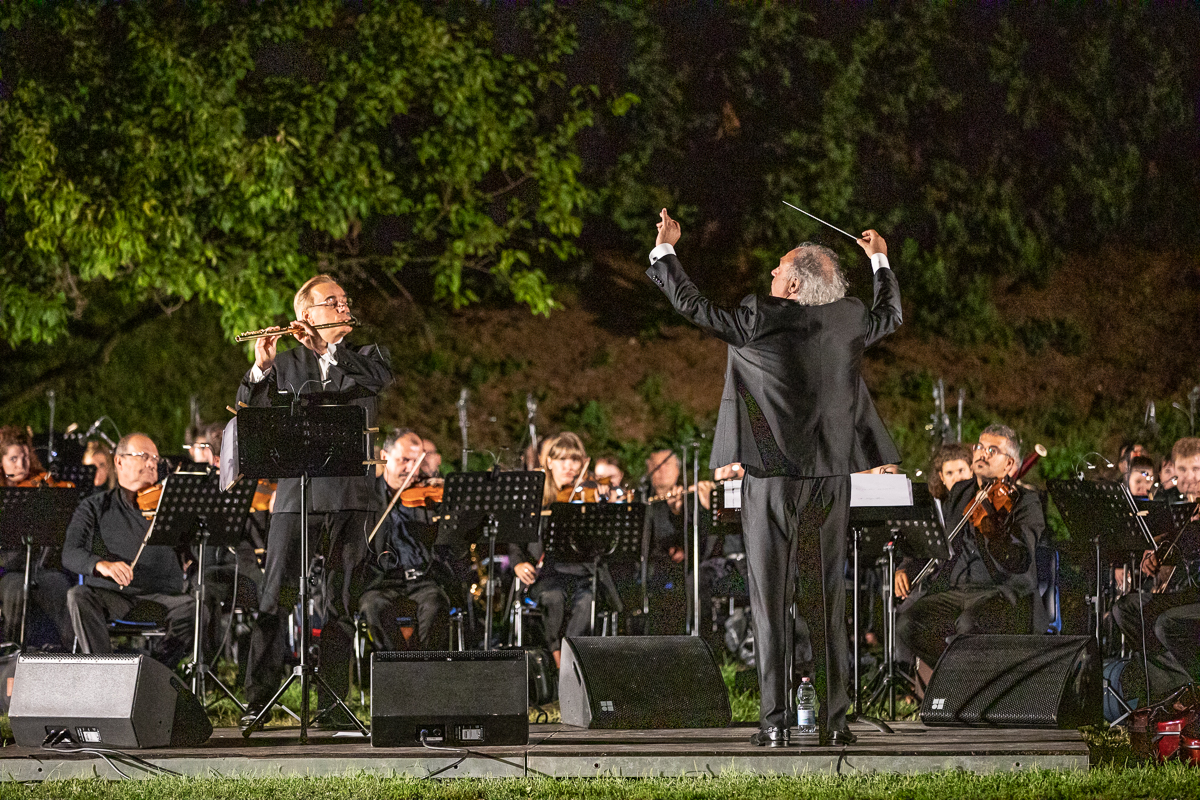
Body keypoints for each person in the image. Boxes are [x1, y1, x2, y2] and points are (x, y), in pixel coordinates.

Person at [647, 208, 901, 747]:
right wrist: (879, 259)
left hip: (771, 478)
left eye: (776, 269)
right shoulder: (849, 318)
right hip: (831, 478)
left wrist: (666, 250)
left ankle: (775, 724)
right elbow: (892, 314)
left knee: (770, 601)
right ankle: (834, 723)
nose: (768, 275)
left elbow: (694, 307)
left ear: (792, 282)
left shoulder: (760, 314)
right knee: (828, 599)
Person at [236, 274, 393, 730]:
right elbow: (252, 417)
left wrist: (328, 352)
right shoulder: (285, 361)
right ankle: (258, 700)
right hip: (295, 495)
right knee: (275, 595)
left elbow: (379, 383)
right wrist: (261, 370)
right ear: (307, 315)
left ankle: (331, 705)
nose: (345, 306)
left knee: (341, 600)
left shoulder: (366, 356)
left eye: (345, 299)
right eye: (333, 301)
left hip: (349, 495)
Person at [895, 425, 1042, 670]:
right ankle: (953, 677)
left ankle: (969, 687)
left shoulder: (1026, 502)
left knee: (969, 624)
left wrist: (996, 536)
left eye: (992, 450)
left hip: (1001, 591)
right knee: (908, 623)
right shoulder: (960, 491)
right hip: (957, 588)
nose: (982, 454)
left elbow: (1020, 560)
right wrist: (907, 566)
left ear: (1009, 465)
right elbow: (938, 539)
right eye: (979, 447)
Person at [62, 433, 195, 666]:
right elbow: (70, 552)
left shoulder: (171, 506)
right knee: (78, 596)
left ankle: (155, 669)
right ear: (119, 461)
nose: (152, 463)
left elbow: (195, 551)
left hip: (163, 599)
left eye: (155, 458)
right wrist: (101, 565)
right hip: (115, 598)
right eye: (144, 456)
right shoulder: (94, 506)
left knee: (198, 608)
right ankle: (104, 674)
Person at [1111, 438, 1200, 694]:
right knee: (1126, 609)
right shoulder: (1183, 506)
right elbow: (1176, 545)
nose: (1189, 478)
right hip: (1190, 594)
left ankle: (1180, 688)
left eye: (1196, 470)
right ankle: (1171, 685)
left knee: (1166, 623)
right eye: (1182, 470)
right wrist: (1157, 555)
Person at [359, 429, 450, 651]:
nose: (411, 469)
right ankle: (397, 664)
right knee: (373, 606)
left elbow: (448, 548)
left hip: (421, 580)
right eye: (404, 460)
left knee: (436, 603)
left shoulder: (427, 496)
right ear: (384, 456)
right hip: (382, 582)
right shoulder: (366, 498)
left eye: (416, 461)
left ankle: (426, 669)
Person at [0, 426, 76, 648]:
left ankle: (65, 653)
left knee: (59, 585)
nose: (21, 465)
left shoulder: (41, 485)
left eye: (25, 458)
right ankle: (12, 653)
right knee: (17, 590)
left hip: (38, 568)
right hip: (7, 571)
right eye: (13, 459)